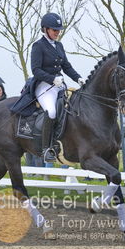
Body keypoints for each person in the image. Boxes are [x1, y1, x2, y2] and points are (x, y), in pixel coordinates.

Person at [31, 12, 85, 162]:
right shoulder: (38, 46)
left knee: (72, 108)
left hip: (59, 86)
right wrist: (52, 79)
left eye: (58, 30)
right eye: (55, 30)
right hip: (43, 86)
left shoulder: (59, 46)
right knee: (52, 111)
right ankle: (46, 149)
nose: (57, 33)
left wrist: (78, 78)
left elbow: (66, 66)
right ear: (46, 29)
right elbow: (35, 70)